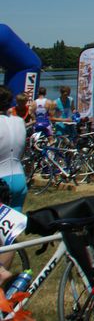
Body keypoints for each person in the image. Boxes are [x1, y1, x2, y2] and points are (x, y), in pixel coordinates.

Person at [0, 86, 27, 288]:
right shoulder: (18, 121)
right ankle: (4, 276)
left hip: (1, 180)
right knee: (9, 235)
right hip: (18, 177)